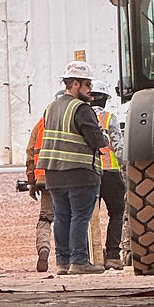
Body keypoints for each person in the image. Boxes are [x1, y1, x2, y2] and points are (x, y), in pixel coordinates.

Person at [38, 60, 109, 274]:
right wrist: (104, 136)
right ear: (76, 84)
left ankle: (63, 262)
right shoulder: (81, 109)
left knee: (62, 216)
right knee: (80, 216)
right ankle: (79, 261)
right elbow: (97, 141)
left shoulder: (51, 108)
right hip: (79, 173)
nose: (91, 91)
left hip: (54, 174)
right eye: (87, 85)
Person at [90, 83, 127, 270]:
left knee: (87, 215)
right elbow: (118, 147)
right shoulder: (109, 118)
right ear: (104, 99)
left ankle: (90, 256)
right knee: (117, 212)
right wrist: (124, 166)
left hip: (90, 173)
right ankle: (112, 255)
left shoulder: (81, 116)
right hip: (111, 173)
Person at [25, 108, 56, 272]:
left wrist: (32, 181)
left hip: (43, 178)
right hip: (65, 177)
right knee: (70, 218)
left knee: (45, 218)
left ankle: (43, 249)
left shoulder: (40, 124)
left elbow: (30, 152)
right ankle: (72, 256)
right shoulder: (68, 120)